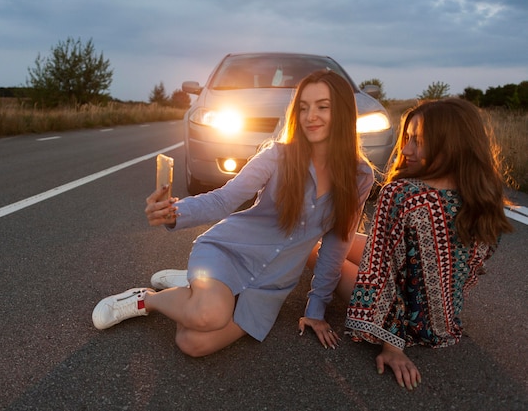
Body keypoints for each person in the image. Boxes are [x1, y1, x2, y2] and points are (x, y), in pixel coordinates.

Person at [92, 70, 374, 356]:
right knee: (210, 315)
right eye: (303, 107)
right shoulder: (276, 156)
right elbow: (223, 199)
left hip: (270, 283)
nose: (310, 115)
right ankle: (146, 300)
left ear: (342, 112)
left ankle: (194, 292)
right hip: (230, 251)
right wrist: (174, 213)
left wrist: (316, 308)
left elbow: (337, 244)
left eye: (322, 107)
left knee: (193, 343)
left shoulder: (360, 176)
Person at [330, 98, 513, 390]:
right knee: (347, 242)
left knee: (323, 253)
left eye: (417, 141)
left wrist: (392, 346)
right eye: (407, 139)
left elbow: (382, 274)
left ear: (450, 144)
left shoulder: (402, 194)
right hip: (441, 324)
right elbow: (469, 270)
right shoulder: (485, 198)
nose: (405, 150)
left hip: (401, 323)